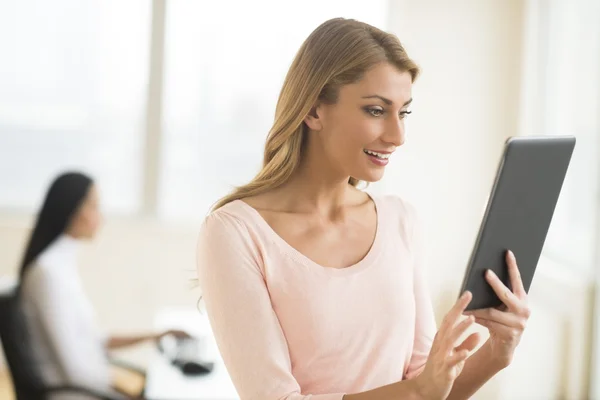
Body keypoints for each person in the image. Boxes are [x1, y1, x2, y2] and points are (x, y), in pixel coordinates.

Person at [196, 17, 531, 400]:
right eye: (376, 110)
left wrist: (497, 353)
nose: (397, 136)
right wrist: (421, 390)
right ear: (314, 110)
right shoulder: (236, 232)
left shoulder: (399, 219)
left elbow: (427, 385)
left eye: (403, 112)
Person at [19, 171, 189, 399]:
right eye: (95, 207)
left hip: (92, 390)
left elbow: (94, 341)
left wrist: (156, 335)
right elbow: (73, 372)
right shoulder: (47, 274)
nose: (102, 217)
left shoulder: (59, 266)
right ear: (71, 210)